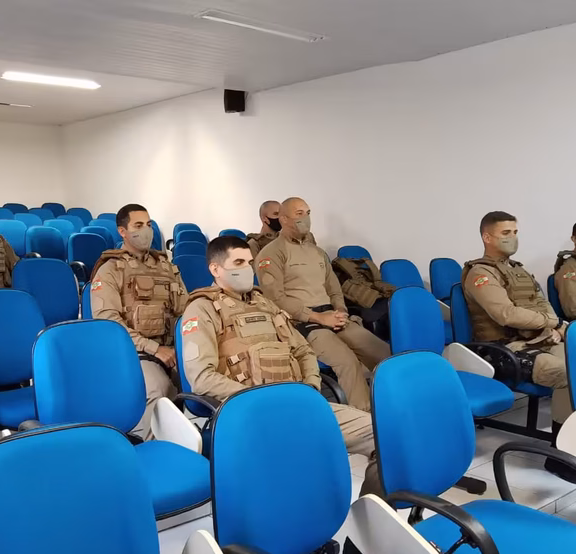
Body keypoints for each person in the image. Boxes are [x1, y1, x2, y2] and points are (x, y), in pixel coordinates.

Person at [182, 235, 381, 496]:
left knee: (382, 433)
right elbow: (201, 378)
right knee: (300, 465)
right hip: (253, 411)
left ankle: (370, 515)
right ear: (216, 269)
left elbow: (303, 350)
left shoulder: (264, 303)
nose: (247, 269)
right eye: (238, 262)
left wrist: (311, 385)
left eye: (249, 262)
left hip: (299, 402)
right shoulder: (202, 310)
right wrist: (261, 399)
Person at [462, 211, 576, 482]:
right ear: (487, 237)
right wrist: (552, 322)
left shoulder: (519, 270)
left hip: (539, 339)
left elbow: (543, 304)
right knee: (566, 375)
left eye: (515, 232)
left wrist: (554, 329)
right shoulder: (480, 273)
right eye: (505, 233)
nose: (513, 238)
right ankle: (561, 457)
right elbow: (505, 314)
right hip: (503, 348)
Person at [255, 197, 390, 411]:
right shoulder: (271, 253)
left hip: (332, 316)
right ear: (284, 219)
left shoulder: (317, 252)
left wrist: (341, 310)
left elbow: (334, 288)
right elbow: (275, 299)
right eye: (299, 213)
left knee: (383, 353)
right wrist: (318, 318)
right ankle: (366, 419)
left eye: (308, 213)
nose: (306, 218)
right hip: (302, 323)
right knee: (347, 362)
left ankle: (394, 403)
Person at [90, 203, 188, 440]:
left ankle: (187, 444)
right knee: (160, 389)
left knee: (203, 380)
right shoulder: (110, 269)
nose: (146, 230)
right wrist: (154, 348)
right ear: (122, 231)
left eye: (149, 224)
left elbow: (185, 309)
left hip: (172, 348)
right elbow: (108, 323)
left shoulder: (166, 266)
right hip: (135, 352)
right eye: (138, 225)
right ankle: (148, 447)